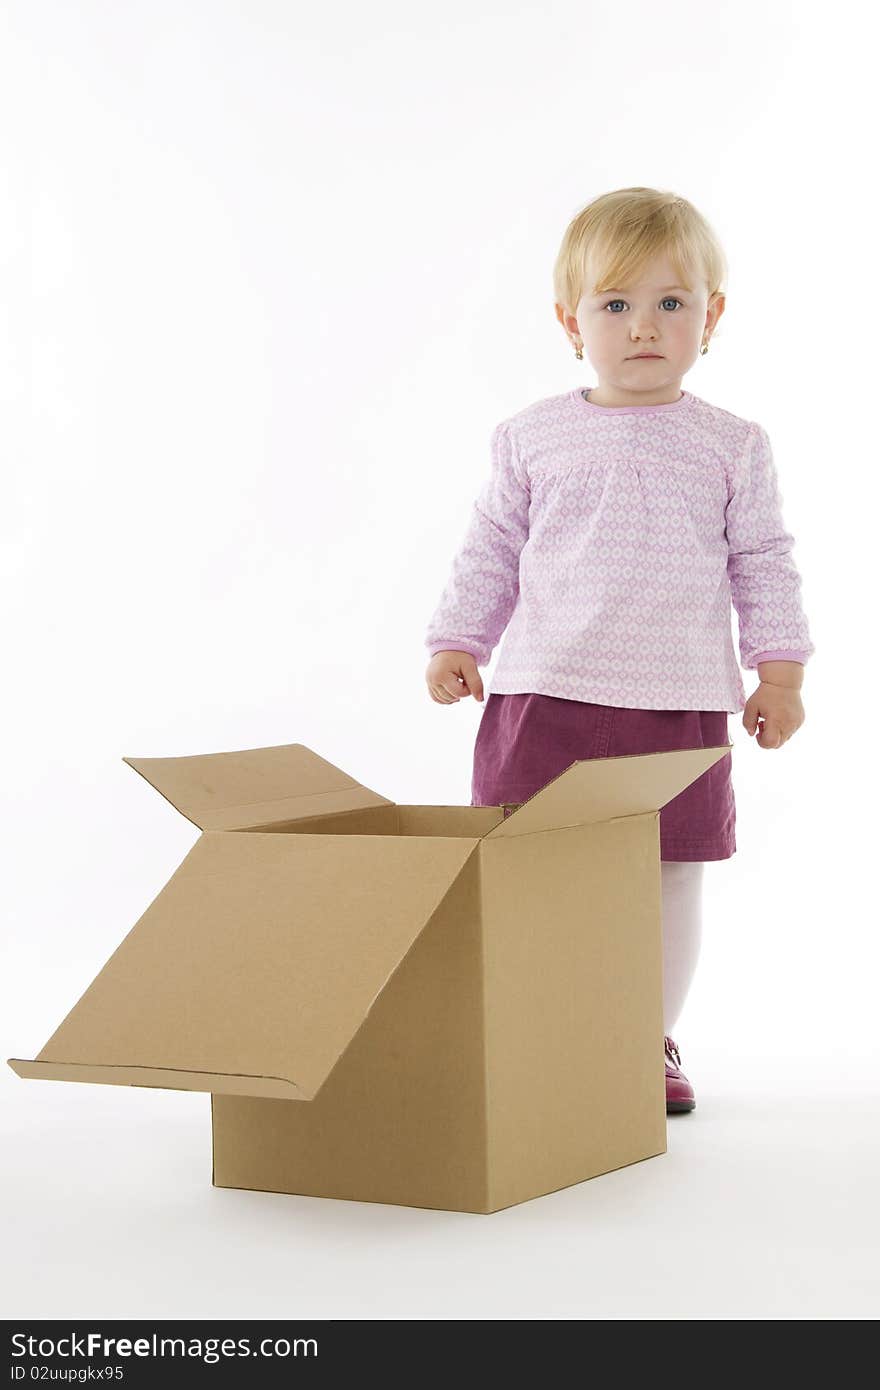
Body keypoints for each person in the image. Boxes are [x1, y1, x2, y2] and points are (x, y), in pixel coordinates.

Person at [422, 186, 815, 1114]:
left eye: (671, 303)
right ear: (572, 323)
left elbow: (765, 561)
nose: (644, 326)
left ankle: (644, 1039)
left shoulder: (732, 446)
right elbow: (491, 548)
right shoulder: (530, 438)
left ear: (710, 317)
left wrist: (782, 674)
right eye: (616, 305)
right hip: (544, 695)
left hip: (677, 703)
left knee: (671, 877)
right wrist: (456, 639)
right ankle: (530, 1025)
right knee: (527, 868)